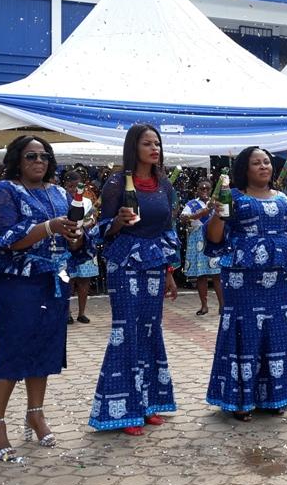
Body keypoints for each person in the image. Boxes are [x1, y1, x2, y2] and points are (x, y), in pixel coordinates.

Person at [0, 135, 88, 462]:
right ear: (17, 159)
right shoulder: (3, 191)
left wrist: (75, 235)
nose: (38, 161)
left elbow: (75, 241)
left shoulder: (59, 193)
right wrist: (51, 226)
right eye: (30, 156)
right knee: (15, 347)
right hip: (17, 283)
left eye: (43, 156)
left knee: (44, 346)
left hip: (54, 280)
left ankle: (35, 413)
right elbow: (3, 239)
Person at [204, 146, 287, 420]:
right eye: (257, 163)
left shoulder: (283, 199)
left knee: (277, 334)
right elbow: (216, 238)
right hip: (244, 278)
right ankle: (241, 400)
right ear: (245, 169)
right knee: (246, 334)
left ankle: (274, 397)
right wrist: (218, 213)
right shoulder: (235, 198)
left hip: (279, 279)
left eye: (266, 162)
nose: (264, 166)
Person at [89, 124, 179, 436]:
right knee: (126, 330)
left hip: (155, 263)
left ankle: (148, 403)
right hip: (124, 261)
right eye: (147, 144)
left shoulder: (164, 184)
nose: (154, 149)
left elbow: (168, 230)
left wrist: (169, 272)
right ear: (134, 148)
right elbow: (101, 229)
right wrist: (116, 222)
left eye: (157, 143)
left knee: (150, 330)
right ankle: (123, 409)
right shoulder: (116, 182)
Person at [181, 178, 223, 316]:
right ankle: (204, 306)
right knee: (201, 275)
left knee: (217, 273)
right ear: (197, 190)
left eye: (207, 188)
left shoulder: (216, 203)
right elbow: (184, 218)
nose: (204, 190)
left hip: (212, 237)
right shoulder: (191, 204)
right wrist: (202, 212)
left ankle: (222, 305)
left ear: (211, 190)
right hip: (197, 239)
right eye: (202, 188)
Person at [62, 169, 99, 323]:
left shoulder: (87, 201)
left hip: (85, 243)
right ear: (65, 186)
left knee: (84, 280)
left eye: (77, 186)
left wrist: (85, 224)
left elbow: (92, 219)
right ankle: (67, 313)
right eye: (70, 186)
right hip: (66, 244)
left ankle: (82, 312)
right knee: (68, 279)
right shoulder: (61, 200)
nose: (74, 190)